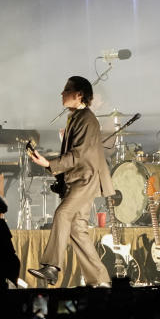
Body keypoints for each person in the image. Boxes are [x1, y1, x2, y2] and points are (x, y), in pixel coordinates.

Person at [27, 76, 113, 287]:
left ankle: (51, 267)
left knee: (63, 213)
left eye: (66, 90)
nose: (62, 94)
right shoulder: (77, 117)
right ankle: (101, 281)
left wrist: (50, 163)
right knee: (77, 230)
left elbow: (80, 154)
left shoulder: (86, 118)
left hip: (86, 179)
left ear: (79, 94)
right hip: (81, 178)